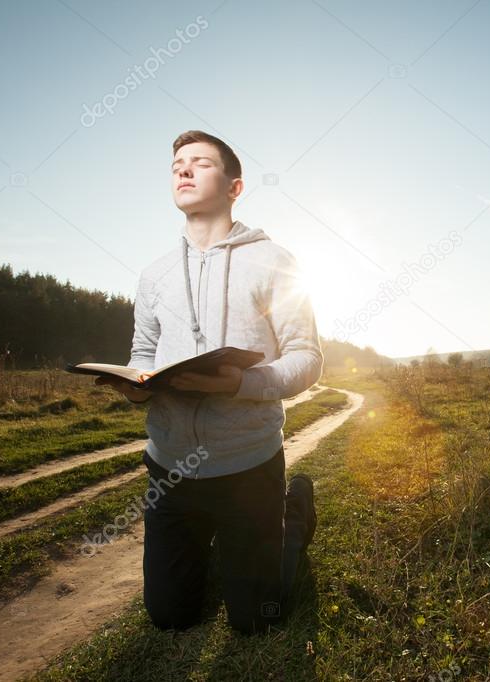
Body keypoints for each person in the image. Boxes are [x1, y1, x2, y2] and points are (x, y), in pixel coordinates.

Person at [95, 130, 323, 635]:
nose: (183, 169)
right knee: (170, 617)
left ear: (235, 187)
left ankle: (291, 518)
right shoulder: (153, 276)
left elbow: (307, 359)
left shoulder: (275, 261)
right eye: (177, 163)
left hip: (248, 466)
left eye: (200, 162)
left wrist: (238, 384)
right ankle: (228, 555)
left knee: (256, 621)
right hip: (170, 469)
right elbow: (142, 355)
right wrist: (136, 385)